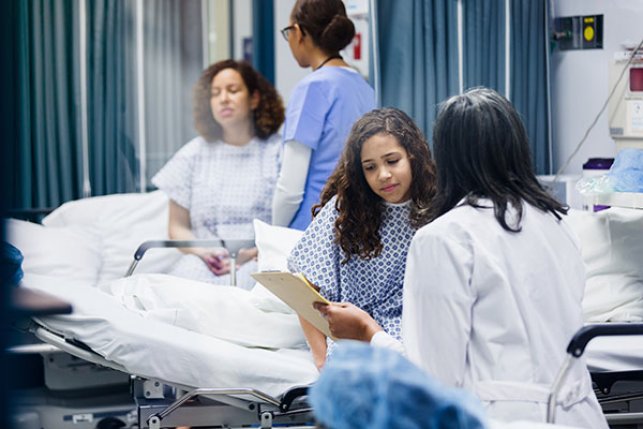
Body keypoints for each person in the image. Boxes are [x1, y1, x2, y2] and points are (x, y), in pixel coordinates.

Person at [315, 88, 608, 427]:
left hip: (502, 418)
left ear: (443, 156)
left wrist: (369, 332)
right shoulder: (559, 222)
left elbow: (432, 380)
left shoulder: (444, 239)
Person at [288, 108, 436, 370]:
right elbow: (305, 290)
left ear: (413, 156)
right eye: (370, 167)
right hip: (352, 342)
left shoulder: (438, 209)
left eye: (392, 161)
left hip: (418, 340)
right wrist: (321, 359)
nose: (383, 175)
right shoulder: (343, 211)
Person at [152, 59, 285, 289]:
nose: (223, 98)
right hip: (203, 260)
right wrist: (203, 252)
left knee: (243, 297)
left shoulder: (279, 152)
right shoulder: (192, 154)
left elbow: (290, 223)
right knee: (176, 292)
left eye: (233, 90)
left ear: (254, 99)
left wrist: (253, 252)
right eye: (215, 93)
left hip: (258, 259)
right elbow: (177, 226)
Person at [272, 0, 376, 231]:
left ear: (298, 33)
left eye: (288, 32)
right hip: (355, 224)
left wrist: (273, 233)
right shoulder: (364, 88)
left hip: (311, 227)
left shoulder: (313, 88)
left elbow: (290, 189)